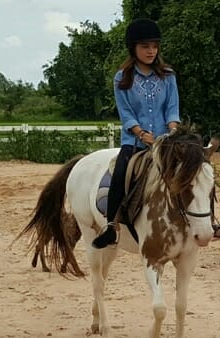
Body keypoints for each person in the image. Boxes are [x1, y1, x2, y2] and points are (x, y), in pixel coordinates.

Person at [92, 18, 180, 249]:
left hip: (165, 141)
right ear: (134, 48)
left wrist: (172, 130)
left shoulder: (168, 76)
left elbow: (172, 108)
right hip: (135, 142)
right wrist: (141, 134)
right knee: (120, 174)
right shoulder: (122, 78)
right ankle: (111, 226)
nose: (151, 51)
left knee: (194, 171)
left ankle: (207, 221)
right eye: (145, 46)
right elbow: (126, 113)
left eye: (154, 46)